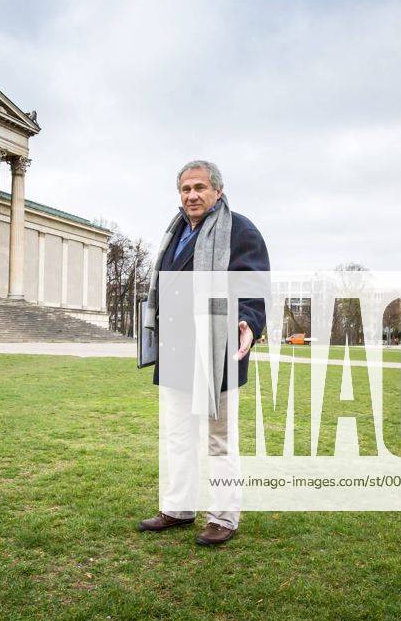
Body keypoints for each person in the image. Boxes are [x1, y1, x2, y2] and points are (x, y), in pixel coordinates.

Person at [137, 160, 269, 546]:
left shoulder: (240, 230)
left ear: (218, 192)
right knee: (176, 435)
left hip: (219, 349)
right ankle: (178, 508)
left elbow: (254, 283)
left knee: (219, 439)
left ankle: (224, 517)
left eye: (199, 187)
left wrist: (248, 320)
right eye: (185, 189)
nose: (191, 195)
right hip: (176, 348)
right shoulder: (174, 231)